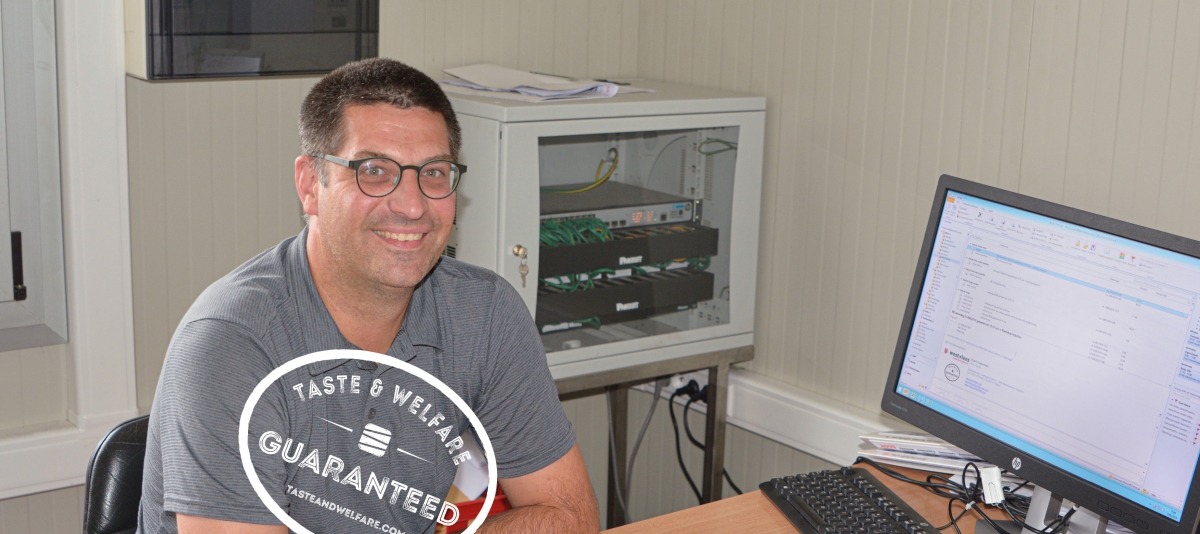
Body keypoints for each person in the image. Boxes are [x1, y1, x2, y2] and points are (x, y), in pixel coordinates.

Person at [138, 58, 599, 534]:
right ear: (310, 185)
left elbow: (570, 517)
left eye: (434, 173)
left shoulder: (484, 313)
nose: (413, 205)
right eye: (374, 170)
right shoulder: (229, 345)